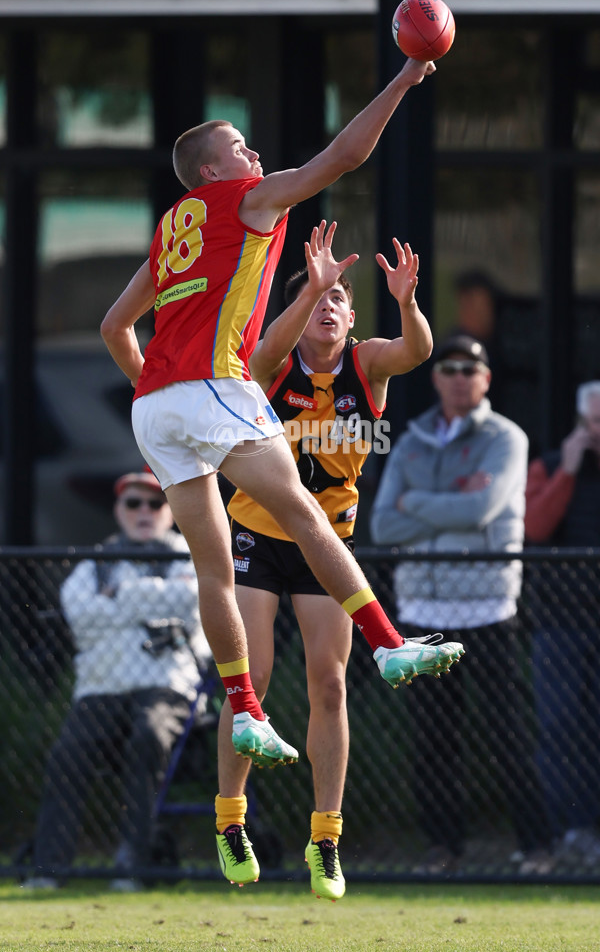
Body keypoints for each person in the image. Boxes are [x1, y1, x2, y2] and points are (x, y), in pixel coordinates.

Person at [100, 57, 464, 881]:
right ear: (213, 171)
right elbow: (343, 159)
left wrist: (158, 392)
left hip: (156, 407)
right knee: (302, 512)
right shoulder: (244, 201)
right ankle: (389, 643)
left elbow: (116, 327)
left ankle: (243, 709)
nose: (255, 154)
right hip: (209, 389)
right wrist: (407, 75)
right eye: (240, 146)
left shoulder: (172, 228)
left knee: (209, 565)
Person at [216, 219, 434, 899]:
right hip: (257, 533)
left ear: (352, 317)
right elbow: (255, 360)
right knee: (248, 679)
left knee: (329, 683)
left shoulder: (365, 363)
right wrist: (306, 288)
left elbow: (418, 351)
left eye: (338, 298)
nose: (329, 307)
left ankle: (327, 839)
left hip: (327, 544)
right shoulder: (274, 362)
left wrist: (407, 302)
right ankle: (230, 822)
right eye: (318, 299)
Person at [370, 334, 554, 876]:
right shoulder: (411, 440)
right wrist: (447, 505)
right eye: (447, 368)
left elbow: (483, 507)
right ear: (435, 377)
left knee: (507, 734)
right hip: (421, 606)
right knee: (432, 740)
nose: (457, 377)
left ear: (486, 379)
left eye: (468, 369)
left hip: (487, 607)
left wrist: (416, 503)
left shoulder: (507, 438)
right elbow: (383, 524)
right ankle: (443, 850)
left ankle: (538, 847)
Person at [23, 470, 211, 891]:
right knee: (67, 754)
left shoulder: (192, 553)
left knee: (148, 737)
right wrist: (151, 600)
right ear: (118, 511)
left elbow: (191, 602)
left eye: (155, 503)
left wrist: (118, 598)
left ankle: (134, 864)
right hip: (102, 687)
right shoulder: (96, 561)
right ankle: (49, 871)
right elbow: (80, 617)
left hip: (168, 686)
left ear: (170, 510)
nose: (144, 512)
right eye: (133, 503)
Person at [524, 380, 600, 868]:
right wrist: (568, 472)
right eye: (595, 421)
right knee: (558, 728)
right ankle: (569, 830)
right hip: (560, 622)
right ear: (581, 422)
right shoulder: (550, 466)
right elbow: (533, 527)